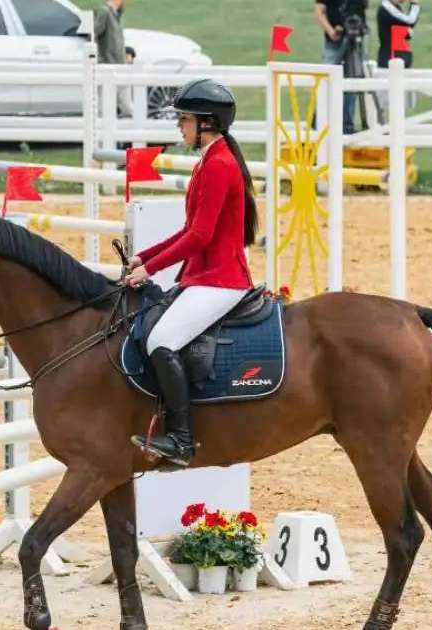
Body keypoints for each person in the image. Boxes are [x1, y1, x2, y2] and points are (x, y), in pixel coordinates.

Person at [126, 79, 257, 467]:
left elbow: (199, 236)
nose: (180, 128)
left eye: (183, 120)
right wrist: (143, 258)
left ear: (206, 122)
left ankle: (182, 440)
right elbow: (189, 230)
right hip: (204, 276)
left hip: (221, 280)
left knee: (161, 341)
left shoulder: (219, 165)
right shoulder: (210, 161)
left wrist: (151, 268)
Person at [316, 0, 368, 133]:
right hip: (334, 41)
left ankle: (347, 125)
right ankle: (319, 123)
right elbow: (319, 12)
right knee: (326, 82)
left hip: (356, 40)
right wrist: (331, 31)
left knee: (352, 83)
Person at [94, 0, 133, 116]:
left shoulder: (116, 14)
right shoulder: (104, 12)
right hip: (109, 65)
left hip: (120, 65)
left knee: (123, 105)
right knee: (110, 105)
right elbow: (93, 33)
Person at [377, 0, 420, 69]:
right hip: (391, 60)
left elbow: (406, 31)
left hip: (398, 59)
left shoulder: (394, 7)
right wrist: (414, 4)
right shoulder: (388, 8)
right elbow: (410, 21)